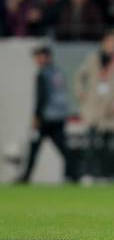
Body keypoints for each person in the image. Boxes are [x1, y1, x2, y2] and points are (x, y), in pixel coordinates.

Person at [74, 30, 114, 179]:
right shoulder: (92, 59)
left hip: (108, 110)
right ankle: (88, 173)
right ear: (103, 43)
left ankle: (107, 174)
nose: (111, 45)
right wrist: (81, 93)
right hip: (93, 108)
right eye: (109, 41)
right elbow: (79, 76)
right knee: (90, 144)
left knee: (108, 146)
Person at [19, 46, 69, 182]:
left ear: (47, 57)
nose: (37, 59)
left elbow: (41, 98)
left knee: (34, 147)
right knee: (64, 149)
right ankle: (72, 175)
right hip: (59, 117)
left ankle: (26, 177)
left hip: (45, 119)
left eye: (40, 56)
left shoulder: (43, 74)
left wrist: (36, 117)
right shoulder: (58, 73)